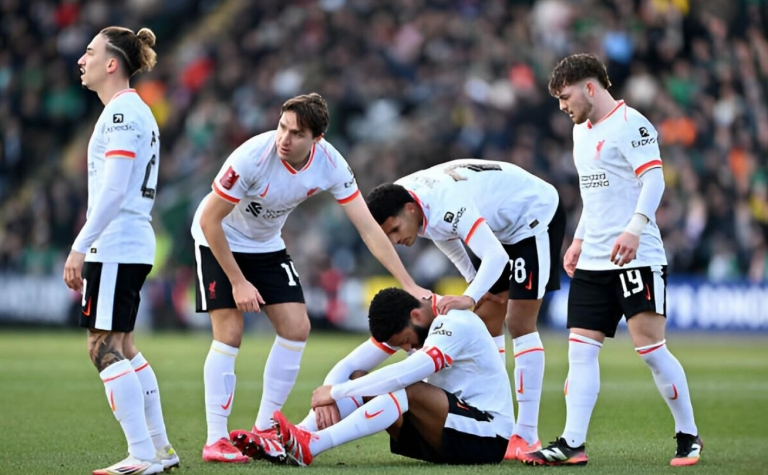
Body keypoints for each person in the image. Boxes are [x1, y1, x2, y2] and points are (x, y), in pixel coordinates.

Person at [190, 93, 430, 463]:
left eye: (296, 133)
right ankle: (216, 439)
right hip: (219, 239)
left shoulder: (331, 164)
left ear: (317, 139)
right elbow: (210, 219)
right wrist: (238, 282)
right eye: (282, 127)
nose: (284, 138)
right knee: (230, 333)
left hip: (266, 246)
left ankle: (265, 427)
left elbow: (368, 228)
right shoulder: (251, 157)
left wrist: (409, 282)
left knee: (296, 328)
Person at [521, 53, 702, 467]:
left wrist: (634, 229)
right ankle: (571, 443)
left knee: (652, 350)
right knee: (581, 351)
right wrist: (580, 240)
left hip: (637, 257)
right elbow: (594, 194)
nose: (562, 106)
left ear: (590, 87)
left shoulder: (632, 125)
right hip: (594, 261)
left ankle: (688, 434)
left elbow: (653, 180)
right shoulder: (580, 132)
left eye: (565, 97)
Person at [365, 159, 566, 459]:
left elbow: (495, 256)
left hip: (532, 216)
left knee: (520, 321)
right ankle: (499, 416)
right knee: (487, 322)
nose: (395, 241)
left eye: (394, 230)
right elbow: (444, 235)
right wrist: (474, 282)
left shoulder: (443, 200)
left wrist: (470, 297)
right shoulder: (411, 201)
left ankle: (526, 435)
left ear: (409, 210)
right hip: (500, 225)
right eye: (388, 237)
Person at [63, 26, 177, 475]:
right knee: (124, 347)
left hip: (117, 243)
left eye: (89, 52)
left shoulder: (120, 115)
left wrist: (79, 245)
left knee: (101, 348)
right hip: (130, 241)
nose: (81, 59)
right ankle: (160, 449)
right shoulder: (131, 111)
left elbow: (113, 190)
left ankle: (142, 455)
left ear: (112, 64)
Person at [240, 288, 513, 466]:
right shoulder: (414, 323)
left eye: (405, 340)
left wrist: (335, 393)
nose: (407, 348)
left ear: (416, 315)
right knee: (362, 377)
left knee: (407, 388)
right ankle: (293, 438)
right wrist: (329, 393)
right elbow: (350, 366)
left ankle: (313, 445)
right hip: (445, 437)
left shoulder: (455, 322)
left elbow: (407, 374)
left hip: (488, 437)